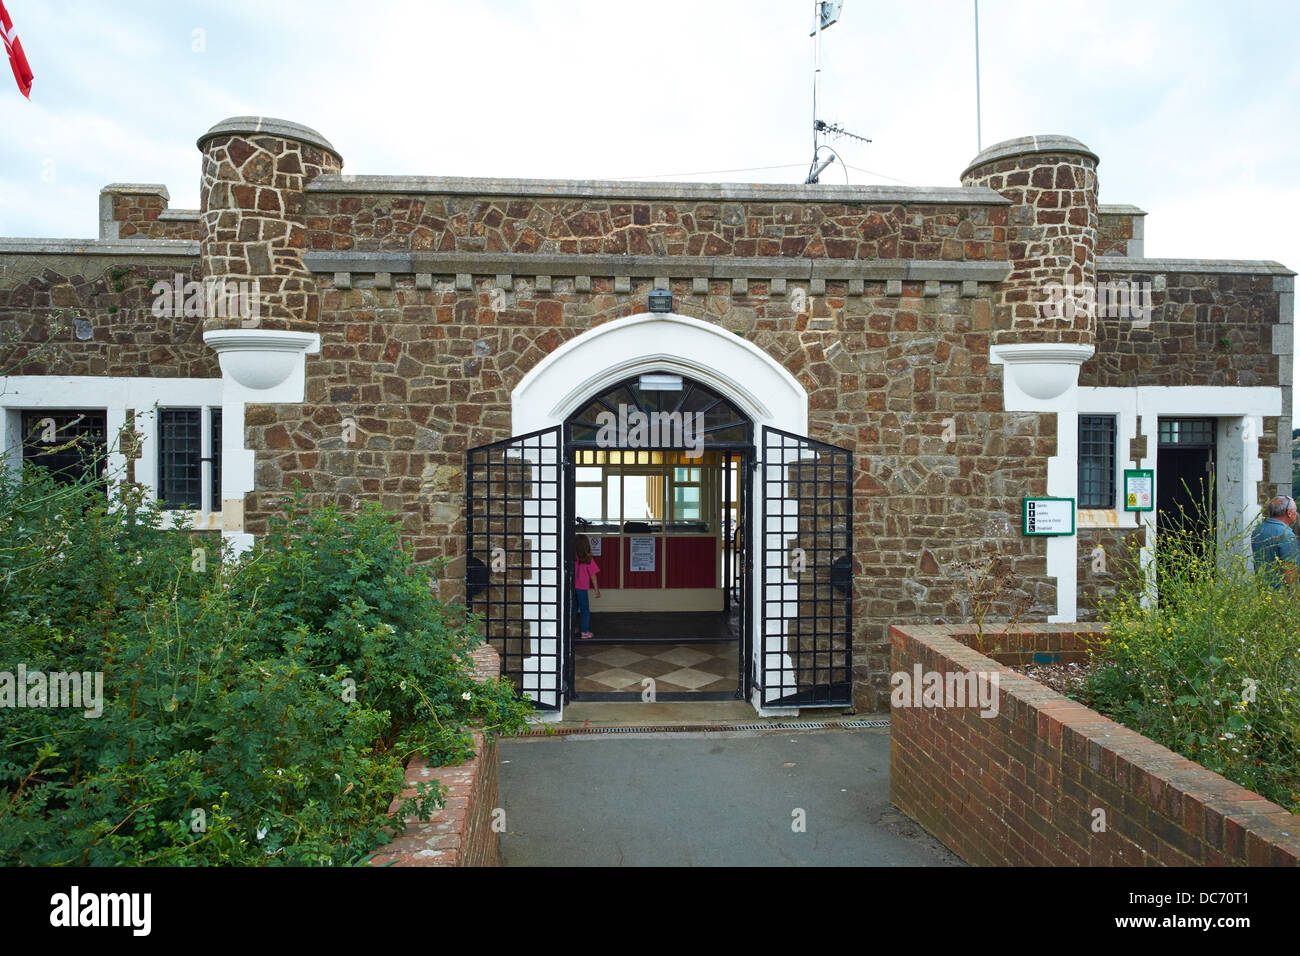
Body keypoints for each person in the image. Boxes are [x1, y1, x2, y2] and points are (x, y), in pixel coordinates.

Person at [1251, 495, 1299, 588]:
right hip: (1281, 594)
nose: (1296, 514)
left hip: (1263, 590)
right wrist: (1296, 596)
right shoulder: (1286, 534)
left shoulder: (1258, 530)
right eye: (1295, 511)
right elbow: (1289, 569)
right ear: (1289, 513)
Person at [574, 534, 601, 639]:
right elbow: (593, 577)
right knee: (585, 610)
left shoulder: (572, 558)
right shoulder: (588, 559)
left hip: (572, 588)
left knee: (573, 609)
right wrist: (597, 591)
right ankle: (584, 632)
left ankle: (571, 628)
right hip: (582, 589)